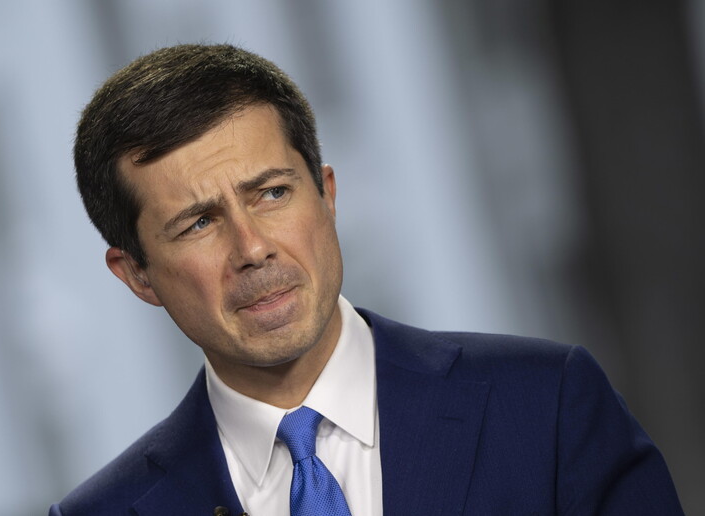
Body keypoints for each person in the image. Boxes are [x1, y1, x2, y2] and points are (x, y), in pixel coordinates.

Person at [49, 44, 683, 516]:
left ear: (326, 195)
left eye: (272, 193)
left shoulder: (546, 407)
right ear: (136, 274)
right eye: (198, 224)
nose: (252, 248)